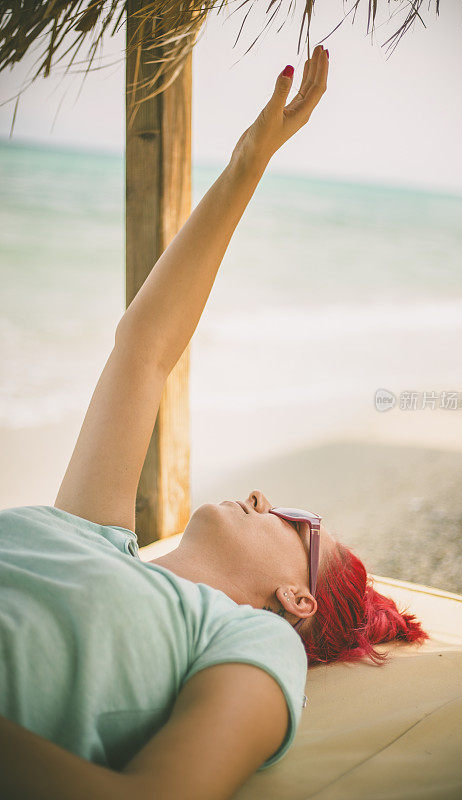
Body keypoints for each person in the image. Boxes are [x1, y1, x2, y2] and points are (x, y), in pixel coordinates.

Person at [0, 46, 426, 800]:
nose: (262, 498)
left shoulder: (249, 641)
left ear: (298, 599)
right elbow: (144, 348)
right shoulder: (90, 535)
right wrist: (245, 166)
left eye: (294, 518)